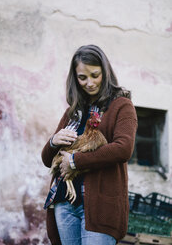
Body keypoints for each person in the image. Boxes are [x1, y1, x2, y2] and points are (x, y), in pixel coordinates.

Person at [41, 45, 137, 245]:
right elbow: (47, 160)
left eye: (95, 75)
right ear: (75, 78)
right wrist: (53, 141)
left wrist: (76, 161)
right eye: (82, 77)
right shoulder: (72, 112)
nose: (90, 83)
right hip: (65, 202)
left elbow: (124, 148)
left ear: (105, 72)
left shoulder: (121, 105)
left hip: (100, 204)